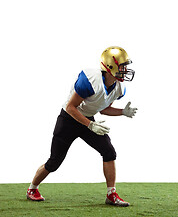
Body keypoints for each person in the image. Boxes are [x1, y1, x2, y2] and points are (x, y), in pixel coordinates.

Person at [26, 46, 137, 207]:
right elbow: (71, 107)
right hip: (69, 119)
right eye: (122, 66)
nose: (125, 70)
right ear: (110, 66)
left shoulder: (119, 87)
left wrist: (122, 112)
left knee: (109, 151)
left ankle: (111, 194)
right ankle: (32, 189)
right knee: (54, 162)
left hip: (88, 120)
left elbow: (103, 108)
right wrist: (90, 125)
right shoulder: (90, 80)